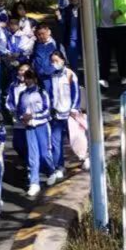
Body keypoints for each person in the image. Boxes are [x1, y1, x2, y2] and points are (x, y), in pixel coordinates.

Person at [12, 65, 52, 198]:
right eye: (26, 78)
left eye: (30, 78)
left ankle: (51, 170)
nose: (28, 81)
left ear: (35, 79)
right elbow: (18, 111)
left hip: (41, 125)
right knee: (33, 155)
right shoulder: (23, 94)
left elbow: (47, 111)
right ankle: (34, 182)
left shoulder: (41, 92)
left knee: (44, 153)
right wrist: (22, 118)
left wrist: (34, 115)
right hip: (28, 127)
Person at [45, 49, 81, 184]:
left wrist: (74, 108)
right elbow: (49, 93)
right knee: (56, 142)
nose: (54, 63)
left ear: (63, 60)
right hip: (56, 114)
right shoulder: (52, 75)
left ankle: (83, 157)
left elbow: (76, 92)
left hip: (69, 113)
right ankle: (59, 166)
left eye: (56, 61)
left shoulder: (70, 74)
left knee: (75, 138)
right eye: (52, 61)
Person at [56, 0, 81, 66]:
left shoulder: (84, 9)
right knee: (72, 62)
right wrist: (59, 17)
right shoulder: (67, 8)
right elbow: (62, 23)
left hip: (83, 39)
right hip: (71, 41)